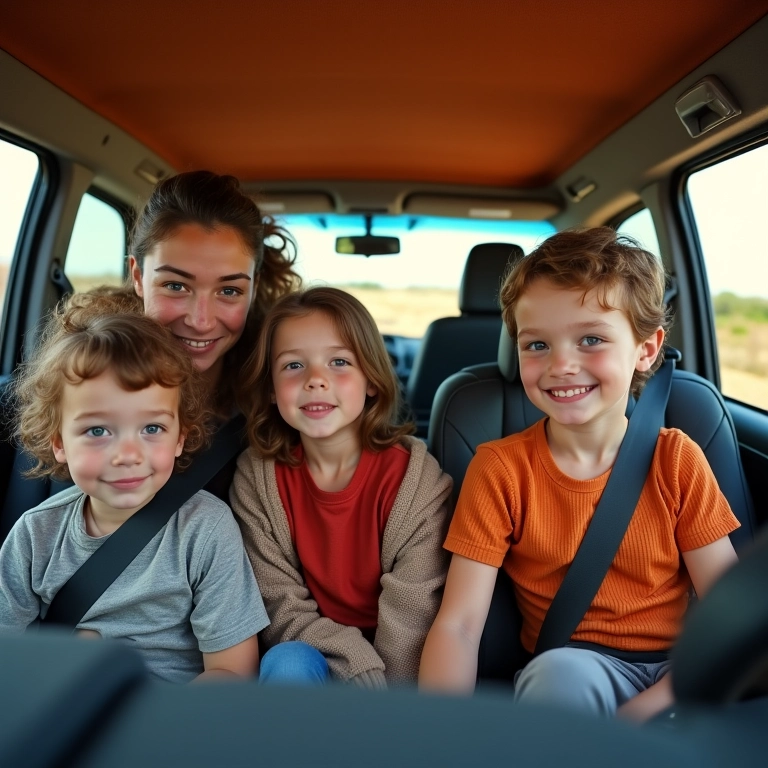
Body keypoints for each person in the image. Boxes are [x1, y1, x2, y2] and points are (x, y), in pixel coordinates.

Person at [418, 228, 740, 720]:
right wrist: (441, 733)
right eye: (537, 345)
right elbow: (459, 624)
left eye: (591, 339)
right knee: (561, 678)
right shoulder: (501, 468)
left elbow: (728, 611)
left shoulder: (676, 459)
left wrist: (647, 709)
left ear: (646, 349)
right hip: (576, 666)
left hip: (683, 669)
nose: (562, 365)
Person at [0, 292, 269, 683]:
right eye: (97, 430)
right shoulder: (35, 535)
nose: (127, 454)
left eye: (152, 428)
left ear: (180, 437)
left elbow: (232, 669)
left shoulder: (204, 530)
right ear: (59, 441)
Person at [231, 287, 452, 688]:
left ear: (370, 379)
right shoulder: (257, 479)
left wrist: (381, 702)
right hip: (311, 651)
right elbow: (279, 603)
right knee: (287, 663)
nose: (316, 380)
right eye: (293, 365)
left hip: (396, 673)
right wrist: (358, 667)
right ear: (269, 388)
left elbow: (412, 612)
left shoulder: (416, 482)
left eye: (339, 362)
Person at [127, 170, 301, 499]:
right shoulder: (81, 390)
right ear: (137, 275)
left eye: (229, 291)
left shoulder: (283, 404)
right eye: (176, 286)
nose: (201, 321)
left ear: (255, 287)